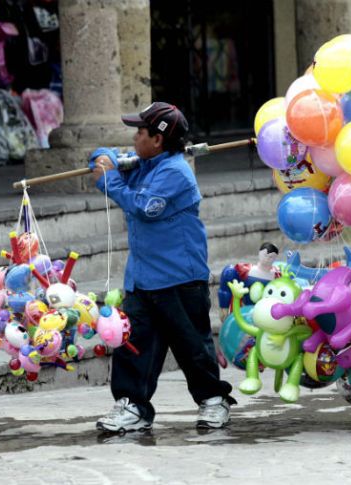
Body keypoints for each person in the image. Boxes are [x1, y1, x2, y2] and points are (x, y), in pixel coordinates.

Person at [88, 102, 236, 433]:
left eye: (140, 132)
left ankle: (213, 399)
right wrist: (103, 157)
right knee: (134, 345)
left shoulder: (175, 172)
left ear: (157, 139)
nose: (135, 138)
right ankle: (133, 405)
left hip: (179, 276)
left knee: (192, 347)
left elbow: (145, 208)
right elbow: (107, 154)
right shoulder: (144, 162)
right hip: (142, 277)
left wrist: (109, 181)